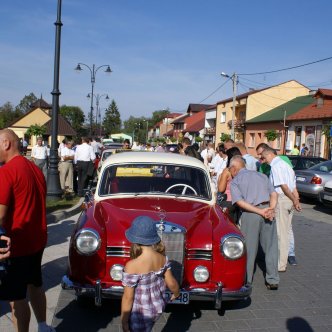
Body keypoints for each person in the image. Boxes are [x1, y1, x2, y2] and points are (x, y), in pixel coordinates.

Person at [0, 129, 54, 332]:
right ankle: (43, 326)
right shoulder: (34, 169)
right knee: (35, 285)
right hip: (36, 240)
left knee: (16, 299)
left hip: (16, 244)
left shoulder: (6, 171)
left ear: (6, 144)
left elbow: (0, 216)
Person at [121, 216, 180, 332]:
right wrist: (176, 293)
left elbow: (128, 297)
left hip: (141, 313)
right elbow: (171, 282)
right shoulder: (162, 258)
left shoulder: (132, 265)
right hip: (157, 307)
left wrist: (124, 321)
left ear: (134, 240)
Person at [229, 155, 279, 290]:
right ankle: (273, 279)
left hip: (251, 214)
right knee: (271, 247)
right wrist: (271, 209)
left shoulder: (235, 181)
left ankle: (247, 279)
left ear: (234, 168)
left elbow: (240, 202)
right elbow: (274, 194)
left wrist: (259, 211)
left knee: (249, 249)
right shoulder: (262, 176)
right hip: (268, 211)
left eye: (230, 170)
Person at [256, 143, 299, 266]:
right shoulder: (286, 165)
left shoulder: (276, 166)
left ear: (270, 155)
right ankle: (282, 261)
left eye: (263, 158)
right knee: (285, 231)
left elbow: (284, 187)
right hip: (288, 200)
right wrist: (295, 200)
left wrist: (294, 200)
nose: (263, 161)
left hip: (282, 199)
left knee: (280, 233)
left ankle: (280, 263)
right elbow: (293, 186)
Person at [217, 147, 242, 223]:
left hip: (227, 201)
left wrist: (220, 178)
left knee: (226, 225)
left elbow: (221, 189)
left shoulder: (227, 171)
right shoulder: (243, 169)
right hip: (239, 201)